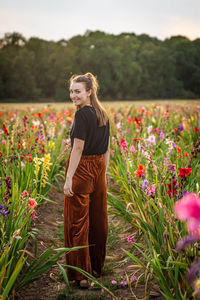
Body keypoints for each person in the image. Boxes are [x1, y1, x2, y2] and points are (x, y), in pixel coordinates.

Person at [63, 72, 110, 288]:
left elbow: (79, 147)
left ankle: (82, 276)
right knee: (97, 218)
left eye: (78, 91)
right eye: (71, 91)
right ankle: (96, 267)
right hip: (99, 167)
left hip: (82, 168)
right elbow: (107, 148)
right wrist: (102, 173)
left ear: (89, 92)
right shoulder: (103, 114)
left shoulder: (82, 115)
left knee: (78, 223)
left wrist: (69, 177)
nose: (73, 95)